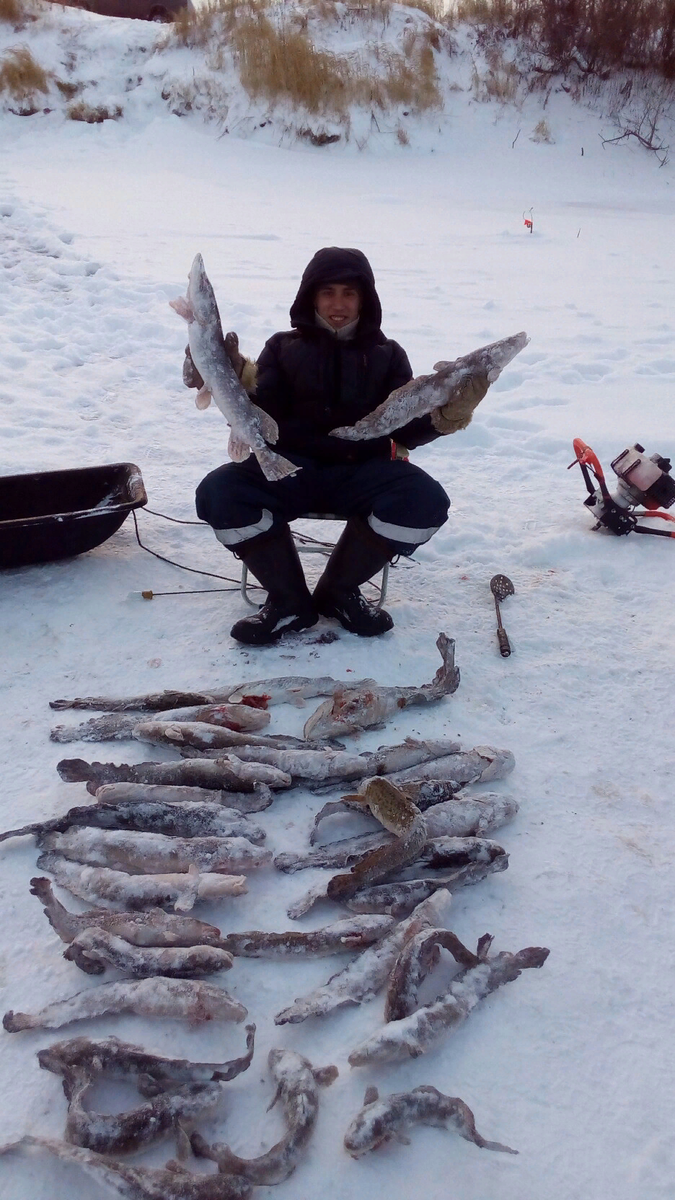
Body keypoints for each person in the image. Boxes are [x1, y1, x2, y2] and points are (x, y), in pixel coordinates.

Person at [189, 246, 488, 646]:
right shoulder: (281, 347)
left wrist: (449, 415)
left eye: (349, 293)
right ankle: (288, 600)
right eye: (327, 292)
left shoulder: (389, 355)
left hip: (363, 473)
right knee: (219, 492)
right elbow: (262, 410)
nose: (338, 304)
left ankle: (340, 590)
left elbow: (406, 431)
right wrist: (231, 377)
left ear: (365, 299)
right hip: (290, 469)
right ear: (310, 296)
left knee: (426, 500)